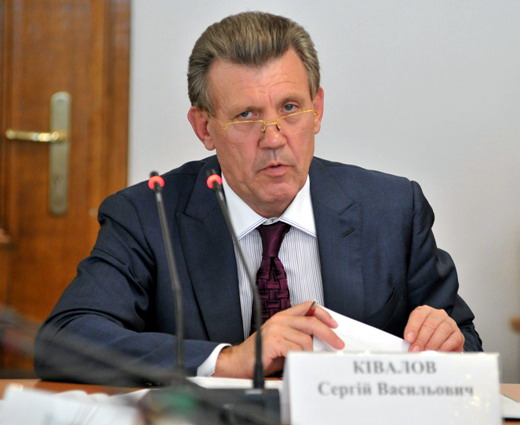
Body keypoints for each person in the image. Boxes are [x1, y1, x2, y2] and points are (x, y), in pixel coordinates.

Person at [35, 11, 482, 386]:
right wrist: (226, 360)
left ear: (317, 108)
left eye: (290, 108)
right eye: (246, 115)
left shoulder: (392, 208)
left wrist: (447, 342)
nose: (273, 138)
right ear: (204, 127)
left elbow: (464, 343)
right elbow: (65, 342)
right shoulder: (146, 215)